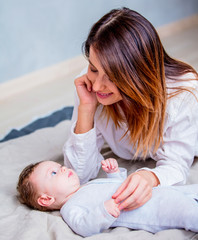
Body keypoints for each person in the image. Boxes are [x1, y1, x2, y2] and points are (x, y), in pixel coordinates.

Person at [63, 7, 198, 211]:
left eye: (112, 76)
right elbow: (76, 175)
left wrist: (149, 177)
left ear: (137, 75)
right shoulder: (90, 87)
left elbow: (176, 166)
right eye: (93, 68)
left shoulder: (182, 94)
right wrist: (87, 109)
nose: (98, 86)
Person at [17, 158, 198, 237]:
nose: (64, 168)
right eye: (54, 172)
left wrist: (113, 173)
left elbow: (118, 187)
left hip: (159, 191)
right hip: (157, 209)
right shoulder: (70, 208)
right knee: (189, 213)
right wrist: (104, 211)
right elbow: (84, 227)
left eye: (60, 166)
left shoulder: (88, 184)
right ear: (46, 199)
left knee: (192, 191)